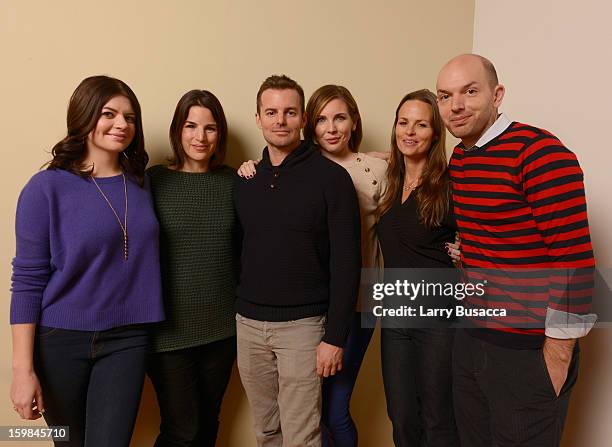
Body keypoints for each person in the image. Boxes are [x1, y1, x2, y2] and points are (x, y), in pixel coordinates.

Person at [436, 53, 596, 446]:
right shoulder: (461, 156)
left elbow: (574, 261)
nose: (455, 105)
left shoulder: (539, 152)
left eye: (469, 92)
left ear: (497, 94)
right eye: (444, 96)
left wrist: (556, 358)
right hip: (473, 339)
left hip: (527, 349)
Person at [9, 75, 164, 447]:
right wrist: (22, 370)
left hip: (127, 339)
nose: (122, 124)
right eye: (109, 114)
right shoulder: (45, 188)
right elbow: (28, 281)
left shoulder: (142, 184)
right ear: (84, 117)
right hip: (60, 342)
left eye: (130, 117)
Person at [239, 84, 387, 447]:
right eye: (271, 112)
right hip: (249, 325)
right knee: (266, 430)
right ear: (258, 119)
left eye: (290, 112)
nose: (280, 120)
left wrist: (334, 337)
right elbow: (238, 249)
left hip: (303, 327)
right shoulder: (245, 179)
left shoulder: (332, 179)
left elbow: (347, 262)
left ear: (302, 119)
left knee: (303, 434)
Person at [146, 90, 238, 447]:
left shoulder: (234, 182)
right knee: (180, 430)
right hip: (168, 332)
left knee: (207, 424)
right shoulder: (153, 182)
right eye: (191, 126)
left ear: (220, 134)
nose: (200, 137)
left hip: (222, 328)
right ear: (177, 130)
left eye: (210, 128)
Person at [375, 89, 459, 446]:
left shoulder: (449, 184)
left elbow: (485, 232)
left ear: (436, 133)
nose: (409, 132)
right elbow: (344, 159)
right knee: (402, 417)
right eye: (403, 122)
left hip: (438, 321)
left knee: (438, 419)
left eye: (421, 124)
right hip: (395, 318)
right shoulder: (390, 179)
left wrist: (465, 251)